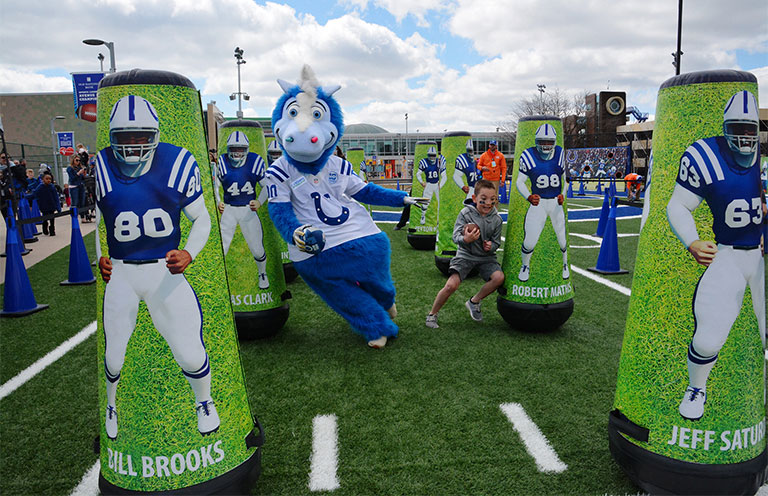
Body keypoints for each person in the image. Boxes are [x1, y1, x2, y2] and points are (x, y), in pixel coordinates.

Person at [94, 94, 216, 440]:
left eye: (140, 137)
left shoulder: (177, 162)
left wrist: (189, 253)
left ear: (155, 134)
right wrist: (100, 255)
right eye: (125, 138)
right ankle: (112, 404)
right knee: (114, 355)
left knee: (190, 352)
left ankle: (204, 401)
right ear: (113, 138)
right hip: (122, 271)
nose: (132, 147)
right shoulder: (101, 165)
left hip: (164, 270)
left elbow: (202, 218)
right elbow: (101, 224)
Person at [667, 89, 765, 421]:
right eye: (738, 128)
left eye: (750, 129)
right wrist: (693, 241)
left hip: (761, 256)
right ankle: (697, 387)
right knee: (708, 338)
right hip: (730, 256)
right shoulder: (706, 155)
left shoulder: (759, 159)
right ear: (726, 128)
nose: (745, 137)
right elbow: (678, 204)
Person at [425, 179, 504, 328]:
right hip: (465, 255)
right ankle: (432, 314)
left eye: (492, 200)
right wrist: (466, 239)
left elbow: (496, 242)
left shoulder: (497, 219)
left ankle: (474, 302)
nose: (488, 203)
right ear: (474, 199)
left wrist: (491, 246)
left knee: (499, 278)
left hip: (486, 258)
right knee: (451, 285)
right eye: (484, 199)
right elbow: (455, 237)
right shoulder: (465, 213)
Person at [214, 131, 270, 288]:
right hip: (229, 210)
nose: (237, 153)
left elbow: (266, 186)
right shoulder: (223, 162)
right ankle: (219, 278)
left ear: (246, 149)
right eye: (234, 149)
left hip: (248, 210)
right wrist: (218, 201)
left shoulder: (255, 161)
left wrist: (259, 201)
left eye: (240, 149)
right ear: (228, 149)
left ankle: (262, 274)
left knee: (257, 249)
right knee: (222, 247)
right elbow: (215, 186)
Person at [516, 123, 569, 282]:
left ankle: (565, 264)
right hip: (538, 204)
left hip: (555, 203)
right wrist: (528, 196)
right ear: (536, 141)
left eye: (549, 142)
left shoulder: (560, 153)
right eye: (542, 141)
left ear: (554, 142)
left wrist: (563, 194)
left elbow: (566, 179)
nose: (545, 145)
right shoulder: (528, 155)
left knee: (562, 239)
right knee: (530, 241)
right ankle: (525, 265)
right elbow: (520, 181)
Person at [415, 146, 446, 225]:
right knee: (425, 202)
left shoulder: (438, 162)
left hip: (436, 184)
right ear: (427, 155)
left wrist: (440, 183)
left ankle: (439, 219)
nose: (432, 157)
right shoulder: (424, 162)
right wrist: (422, 182)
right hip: (428, 184)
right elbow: (418, 174)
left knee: (440, 202)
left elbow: (444, 175)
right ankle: (423, 216)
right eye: (430, 155)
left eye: (433, 155)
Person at [453, 138, 478, 204]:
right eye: (469, 150)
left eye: (472, 150)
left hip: (479, 188)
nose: (471, 153)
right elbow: (456, 175)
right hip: (472, 188)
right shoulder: (463, 159)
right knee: (470, 206)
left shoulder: (476, 161)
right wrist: (462, 186)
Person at [66, 154, 87, 219]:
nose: (78, 162)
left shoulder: (80, 167)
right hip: (74, 186)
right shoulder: (70, 168)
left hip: (81, 185)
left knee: (82, 202)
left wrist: (84, 174)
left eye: (79, 160)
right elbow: (72, 178)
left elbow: (82, 178)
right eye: (77, 160)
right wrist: (78, 173)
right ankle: (74, 216)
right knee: (75, 202)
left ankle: (82, 217)